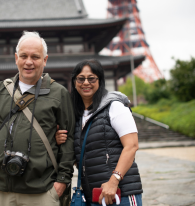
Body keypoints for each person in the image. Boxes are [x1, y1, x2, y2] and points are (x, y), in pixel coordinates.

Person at [0, 31, 75, 206]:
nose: (29, 62)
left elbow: (69, 138)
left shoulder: (58, 93)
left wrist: (62, 180)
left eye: (35, 57)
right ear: (16, 58)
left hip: (42, 189)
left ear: (45, 60)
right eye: (24, 56)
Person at [56, 59, 143, 206]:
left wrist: (113, 181)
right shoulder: (75, 115)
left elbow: (132, 146)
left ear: (100, 81)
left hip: (120, 193)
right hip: (94, 195)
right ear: (74, 82)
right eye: (81, 79)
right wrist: (59, 140)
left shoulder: (114, 106)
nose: (86, 83)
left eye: (91, 78)